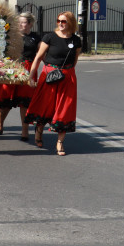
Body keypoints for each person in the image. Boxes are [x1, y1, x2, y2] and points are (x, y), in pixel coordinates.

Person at [26, 11, 82, 155]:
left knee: (64, 109)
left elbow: (74, 60)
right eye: (59, 21)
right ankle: (39, 130)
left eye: (64, 21)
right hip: (49, 75)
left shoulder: (76, 40)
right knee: (45, 106)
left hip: (67, 78)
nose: (60, 24)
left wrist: (67, 73)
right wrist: (31, 76)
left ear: (70, 23)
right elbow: (38, 57)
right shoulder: (49, 37)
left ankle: (60, 142)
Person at [0, 13, 41, 141]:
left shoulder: (35, 37)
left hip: (28, 69)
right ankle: (0, 122)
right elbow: (0, 51)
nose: (20, 24)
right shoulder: (10, 36)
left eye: (23, 22)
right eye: (18, 21)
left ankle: (25, 131)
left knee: (25, 102)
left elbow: (40, 54)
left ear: (30, 24)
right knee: (5, 99)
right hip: (11, 67)